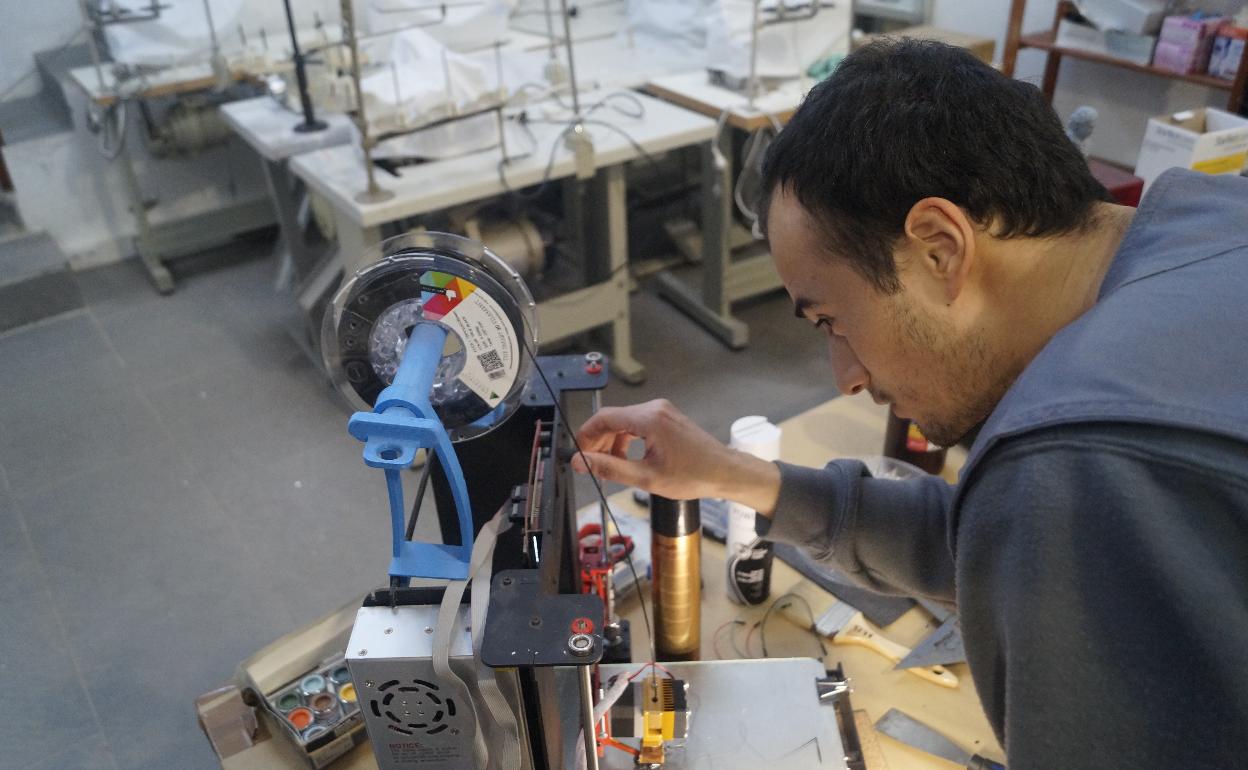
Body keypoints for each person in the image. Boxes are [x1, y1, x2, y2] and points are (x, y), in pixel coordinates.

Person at [574, 40, 1248, 769]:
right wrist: (738, 478)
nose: (846, 378)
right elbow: (995, 544)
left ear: (939, 247)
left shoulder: (1079, 462)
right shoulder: (1205, 215)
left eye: (831, 320)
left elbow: (1044, 514)